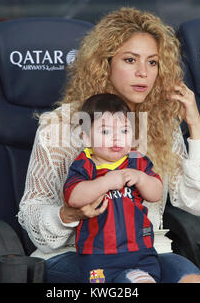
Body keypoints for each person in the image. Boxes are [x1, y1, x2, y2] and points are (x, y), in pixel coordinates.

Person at [18, 7, 200, 283]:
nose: (143, 73)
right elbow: (32, 216)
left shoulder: (161, 125)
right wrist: (69, 214)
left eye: (152, 62)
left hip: (147, 252)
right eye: (130, 60)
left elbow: (198, 203)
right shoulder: (61, 125)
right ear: (105, 63)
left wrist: (194, 125)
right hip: (74, 254)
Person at [64, 93, 163, 283]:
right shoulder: (85, 164)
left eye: (124, 131)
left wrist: (141, 178)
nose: (116, 139)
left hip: (140, 250)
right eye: (106, 132)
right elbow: (74, 197)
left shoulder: (137, 161)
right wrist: (106, 182)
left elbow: (156, 193)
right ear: (85, 137)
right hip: (98, 253)